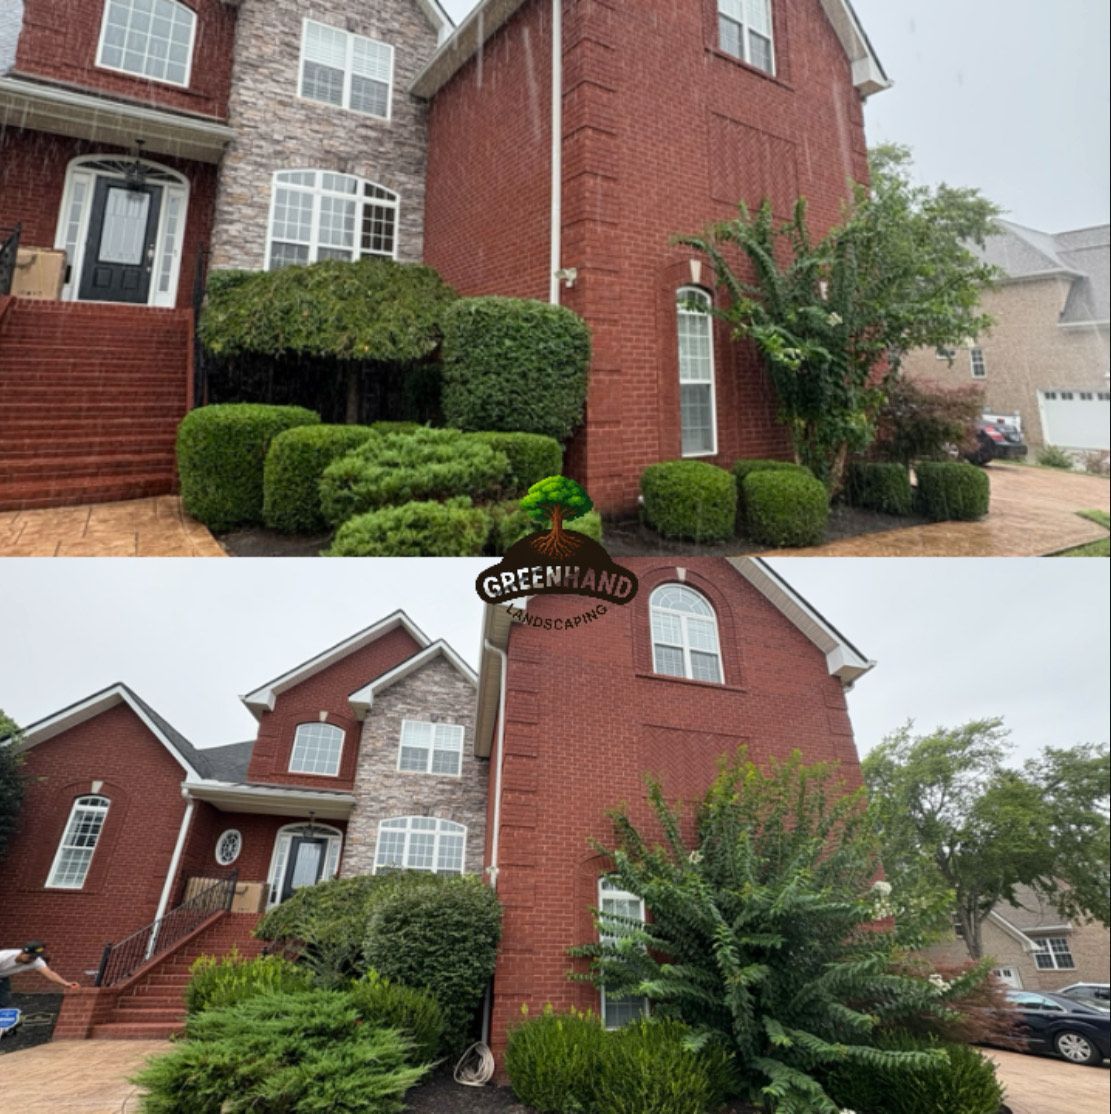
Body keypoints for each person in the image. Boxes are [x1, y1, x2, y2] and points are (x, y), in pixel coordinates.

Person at [0, 942, 80, 1008]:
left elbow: (50, 974)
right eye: (30, 957)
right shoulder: (4, 956)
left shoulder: (36, 961)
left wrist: (66, 983)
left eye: (34, 958)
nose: (32, 960)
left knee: (4, 1000)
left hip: (3, 977)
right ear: (23, 953)